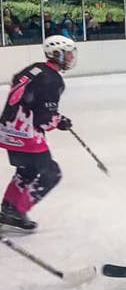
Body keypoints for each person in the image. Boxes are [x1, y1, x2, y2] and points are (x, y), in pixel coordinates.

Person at [0, 36, 77, 232]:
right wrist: (59, 121)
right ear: (56, 54)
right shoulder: (53, 80)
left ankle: (8, 208)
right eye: (67, 53)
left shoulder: (35, 68)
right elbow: (44, 118)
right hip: (25, 134)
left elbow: (20, 85)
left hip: (7, 129)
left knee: (27, 170)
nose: (70, 57)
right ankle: (16, 210)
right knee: (50, 173)